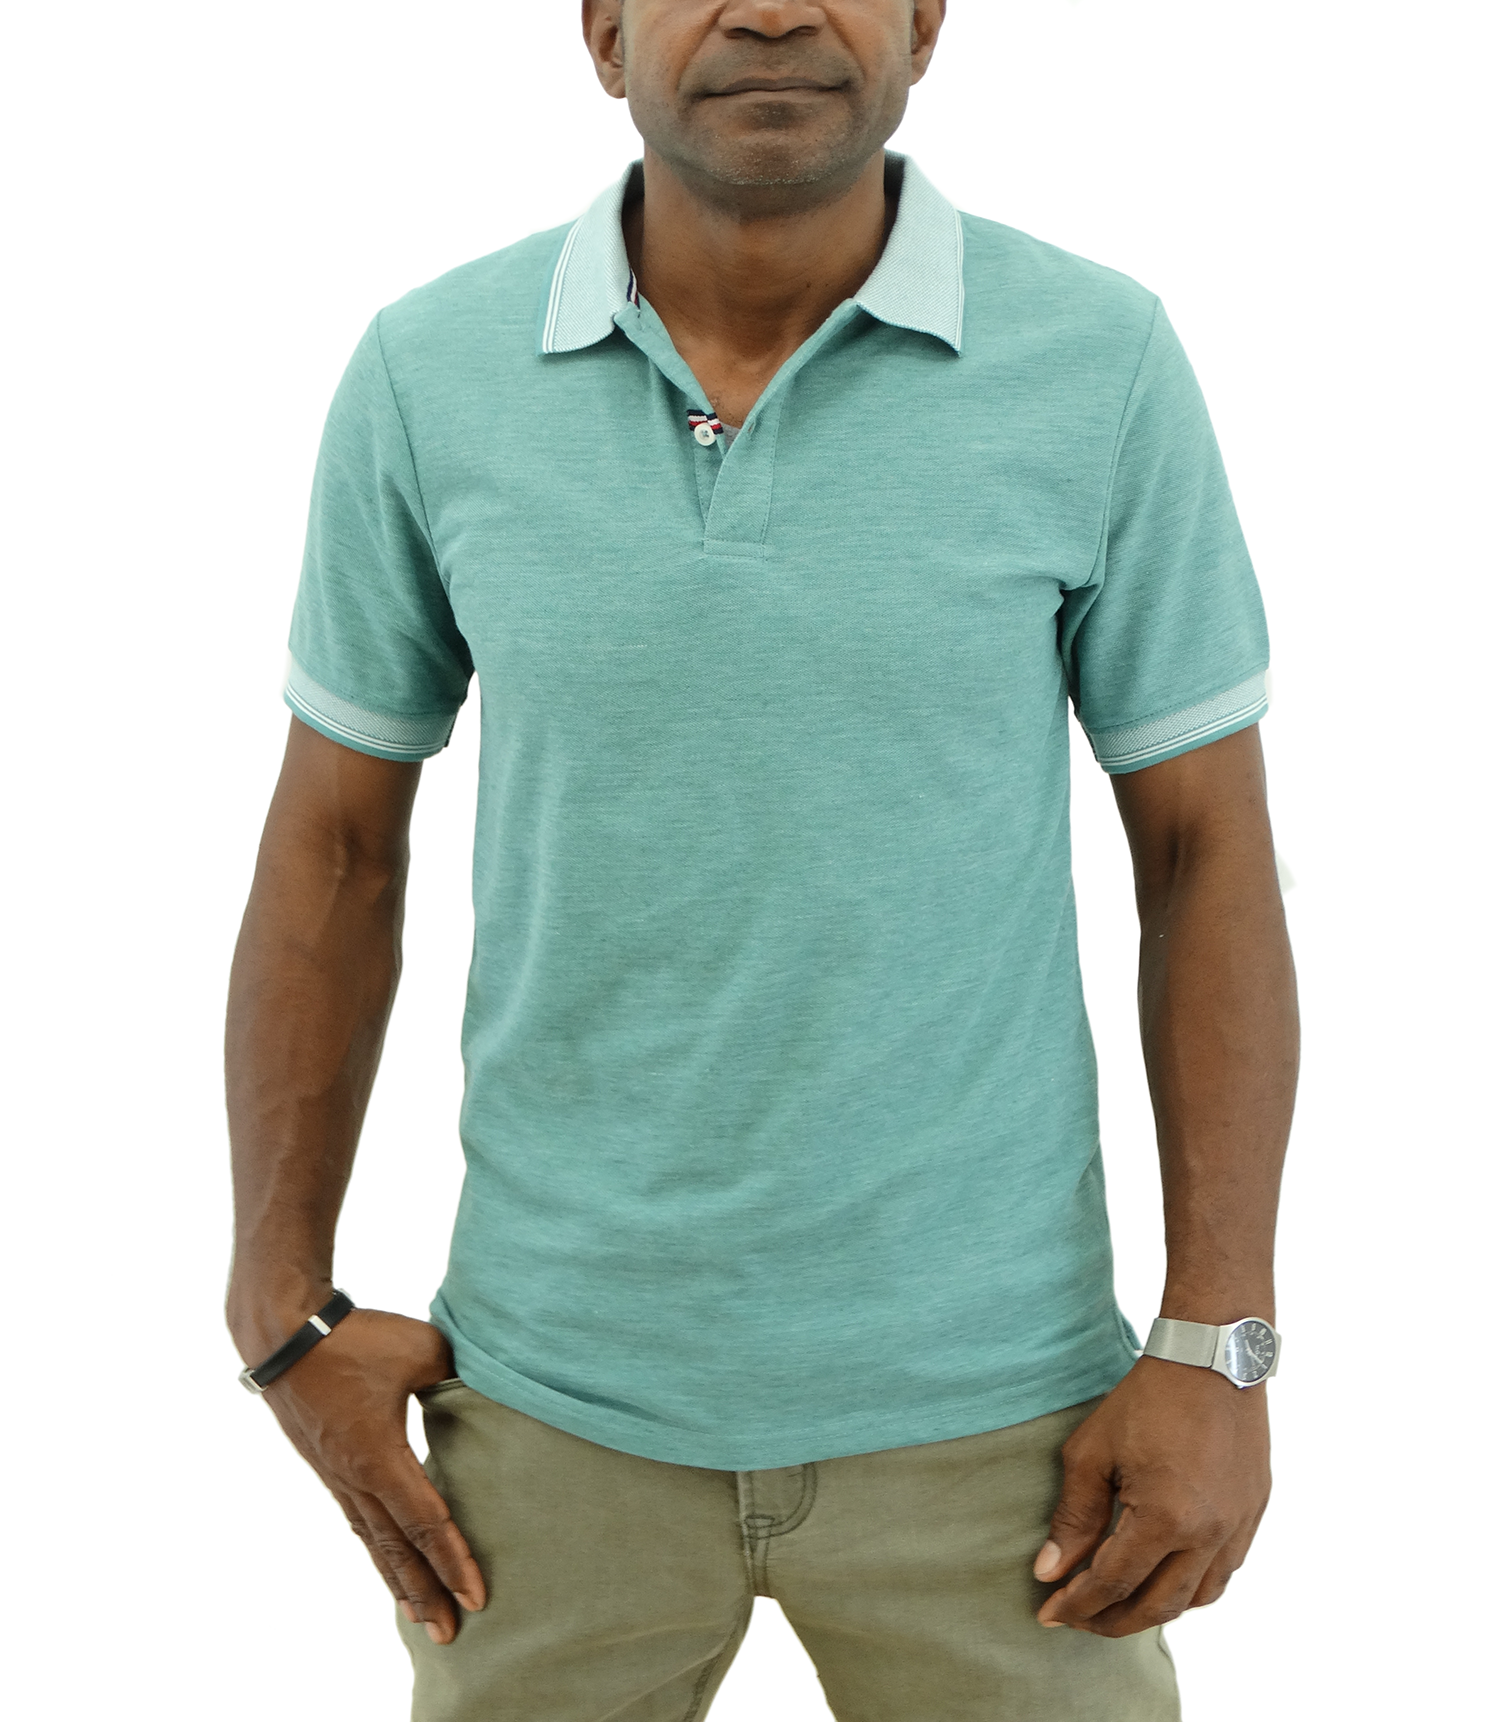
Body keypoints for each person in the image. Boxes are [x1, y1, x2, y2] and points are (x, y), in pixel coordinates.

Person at [225, 3, 1298, 1718]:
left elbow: (1204, 851)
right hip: (546, 1425)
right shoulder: (431, 373)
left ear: (927, 23)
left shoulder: (1098, 360)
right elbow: (338, 847)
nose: (776, 9)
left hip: (1015, 1441)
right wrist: (279, 1306)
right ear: (603, 30)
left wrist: (1218, 1341)